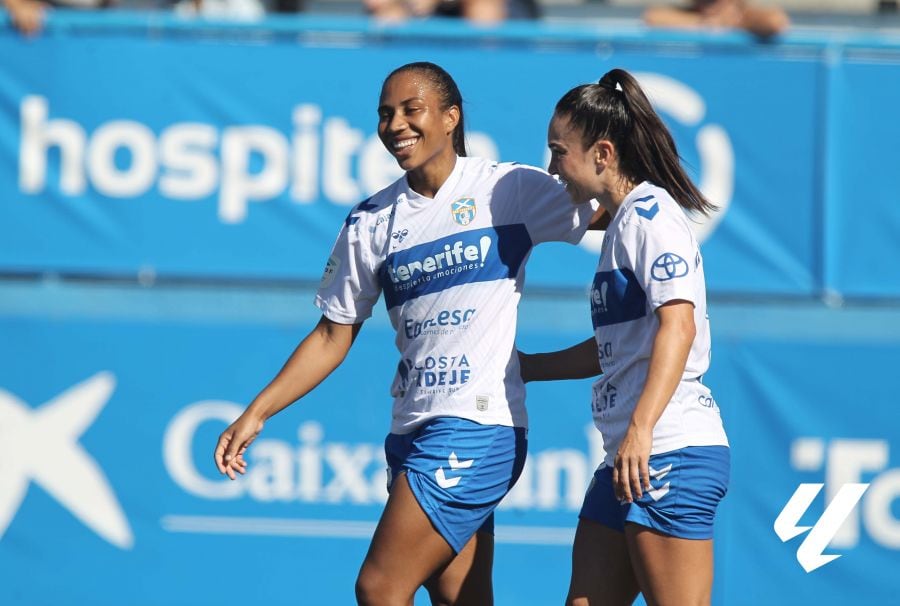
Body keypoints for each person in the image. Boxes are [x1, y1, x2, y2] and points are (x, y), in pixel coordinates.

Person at [214, 61, 602, 606]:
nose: (395, 124)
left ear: (451, 117)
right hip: (411, 433)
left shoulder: (506, 189)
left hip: (477, 426)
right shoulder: (370, 221)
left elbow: (608, 201)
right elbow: (331, 335)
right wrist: (257, 411)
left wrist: (653, 209)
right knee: (460, 600)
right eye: (385, 114)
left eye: (411, 109)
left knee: (378, 587)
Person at [519, 68, 729, 606]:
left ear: (603, 154)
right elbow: (618, 347)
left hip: (666, 451)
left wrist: (640, 429)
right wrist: (524, 366)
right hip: (628, 459)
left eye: (557, 151)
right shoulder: (622, 222)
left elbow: (677, 326)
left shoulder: (651, 217)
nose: (551, 168)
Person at [643, 0, 790, 38]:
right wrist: (708, 23)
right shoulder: (688, 13)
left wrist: (738, 22)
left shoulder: (746, 15)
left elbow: (775, 22)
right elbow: (653, 17)